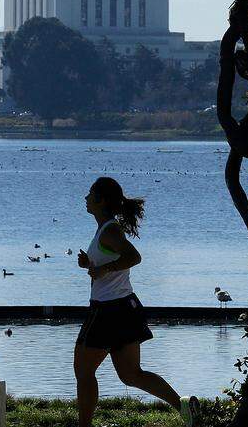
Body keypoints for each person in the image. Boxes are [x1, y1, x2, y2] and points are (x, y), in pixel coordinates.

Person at [73, 176, 199, 426]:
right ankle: (184, 406)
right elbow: (115, 261)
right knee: (131, 374)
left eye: (89, 193)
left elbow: (133, 256)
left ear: (99, 200)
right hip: (125, 308)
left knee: (84, 371)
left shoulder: (109, 230)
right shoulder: (105, 229)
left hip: (107, 310)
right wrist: (91, 264)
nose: (85, 198)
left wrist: (103, 270)